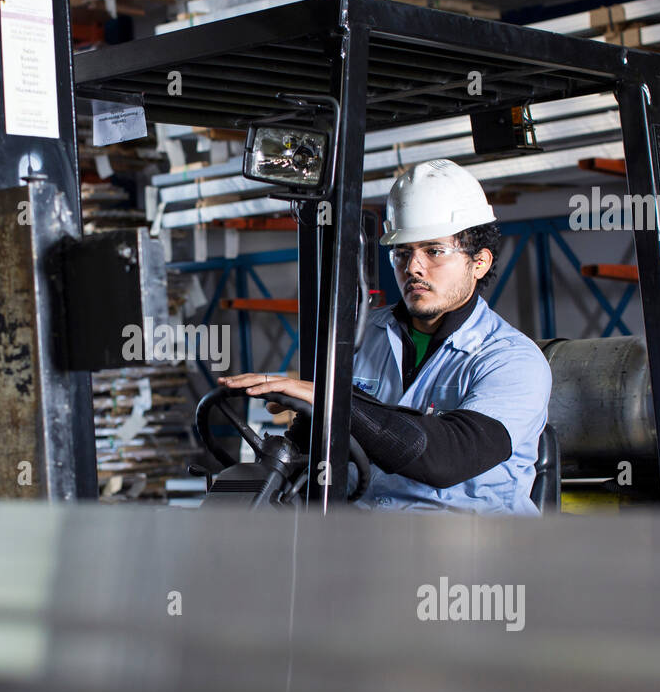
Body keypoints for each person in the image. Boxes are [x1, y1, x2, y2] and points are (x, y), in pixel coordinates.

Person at [219, 158, 552, 515]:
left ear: (479, 263)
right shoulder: (361, 339)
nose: (413, 267)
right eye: (402, 252)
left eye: (434, 251)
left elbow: (447, 459)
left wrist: (333, 402)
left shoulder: (512, 360)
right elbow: (312, 446)